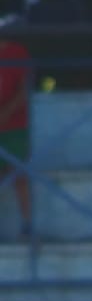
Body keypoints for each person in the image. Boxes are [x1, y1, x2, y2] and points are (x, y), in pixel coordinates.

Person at [0, 32, 29, 237]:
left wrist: (7, 111)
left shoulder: (17, 52)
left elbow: (25, 88)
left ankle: (28, 225)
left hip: (15, 127)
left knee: (20, 174)